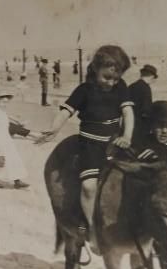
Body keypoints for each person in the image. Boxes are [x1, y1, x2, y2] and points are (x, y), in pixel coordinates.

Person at [38, 45, 135, 254]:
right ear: (96, 69)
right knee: (89, 187)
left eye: (116, 78)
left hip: (114, 144)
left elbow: (127, 113)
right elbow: (65, 111)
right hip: (90, 146)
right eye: (107, 77)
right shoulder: (84, 90)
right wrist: (54, 129)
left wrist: (127, 136)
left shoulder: (121, 88)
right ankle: (93, 230)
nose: (111, 83)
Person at [128, 64, 158, 147]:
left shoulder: (131, 86)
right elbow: (146, 110)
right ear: (151, 76)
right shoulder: (146, 88)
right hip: (141, 126)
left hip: (129, 124)